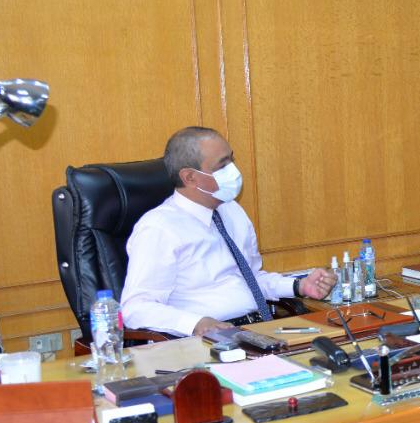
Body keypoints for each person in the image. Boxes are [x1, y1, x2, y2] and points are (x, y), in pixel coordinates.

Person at [121, 127, 337, 337]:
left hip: (256, 330)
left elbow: (251, 278)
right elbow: (135, 308)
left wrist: (299, 286)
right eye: (222, 166)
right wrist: (195, 323)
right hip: (205, 341)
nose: (233, 171)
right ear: (190, 177)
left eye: (232, 160)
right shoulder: (159, 228)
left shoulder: (231, 210)